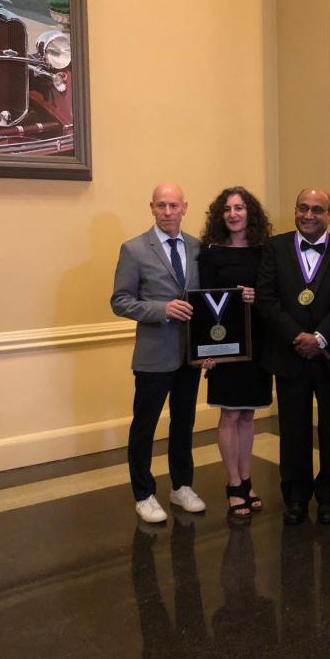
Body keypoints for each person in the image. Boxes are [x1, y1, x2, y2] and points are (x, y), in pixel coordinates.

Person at [256, 189, 330, 526]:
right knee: (293, 429)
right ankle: (296, 497)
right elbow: (267, 298)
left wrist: (321, 337)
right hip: (290, 354)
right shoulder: (275, 247)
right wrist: (296, 337)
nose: (309, 215)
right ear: (295, 210)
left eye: (317, 209)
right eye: (303, 208)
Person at [111, 183, 206, 523]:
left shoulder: (198, 248)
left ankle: (181, 486)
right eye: (161, 205)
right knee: (145, 426)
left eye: (174, 206)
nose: (168, 212)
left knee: (184, 422)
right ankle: (144, 493)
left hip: (189, 356)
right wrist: (162, 309)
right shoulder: (134, 249)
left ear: (185, 207)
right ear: (151, 207)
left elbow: (207, 300)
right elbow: (120, 301)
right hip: (153, 355)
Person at [198, 187, 273, 520]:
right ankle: (232, 484)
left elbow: (273, 294)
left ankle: (246, 480)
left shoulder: (265, 252)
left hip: (258, 342)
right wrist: (206, 350)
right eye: (227, 208)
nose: (233, 213)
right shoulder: (210, 252)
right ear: (220, 215)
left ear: (250, 213)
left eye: (239, 207)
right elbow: (202, 302)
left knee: (248, 415)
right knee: (229, 414)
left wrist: (256, 296)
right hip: (224, 345)